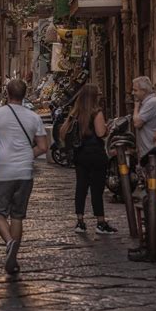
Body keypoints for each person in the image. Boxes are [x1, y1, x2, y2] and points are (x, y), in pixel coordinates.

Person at [0, 79, 48, 275]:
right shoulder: (34, 117)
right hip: (24, 172)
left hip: (2, 171)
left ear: (7, 93)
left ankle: (9, 243)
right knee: (17, 215)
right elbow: (43, 147)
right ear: (24, 95)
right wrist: (25, 156)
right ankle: (12, 259)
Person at [60, 84, 117, 235]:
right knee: (97, 189)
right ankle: (100, 222)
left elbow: (64, 132)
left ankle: (80, 221)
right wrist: (107, 128)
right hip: (96, 156)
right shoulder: (96, 113)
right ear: (93, 97)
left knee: (81, 188)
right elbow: (100, 133)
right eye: (98, 95)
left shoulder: (75, 113)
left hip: (80, 156)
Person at [132, 76, 156, 159]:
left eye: (135, 90)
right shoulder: (150, 102)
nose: (133, 93)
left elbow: (137, 123)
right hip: (151, 151)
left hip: (152, 151)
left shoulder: (151, 103)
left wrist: (136, 107)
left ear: (144, 91)